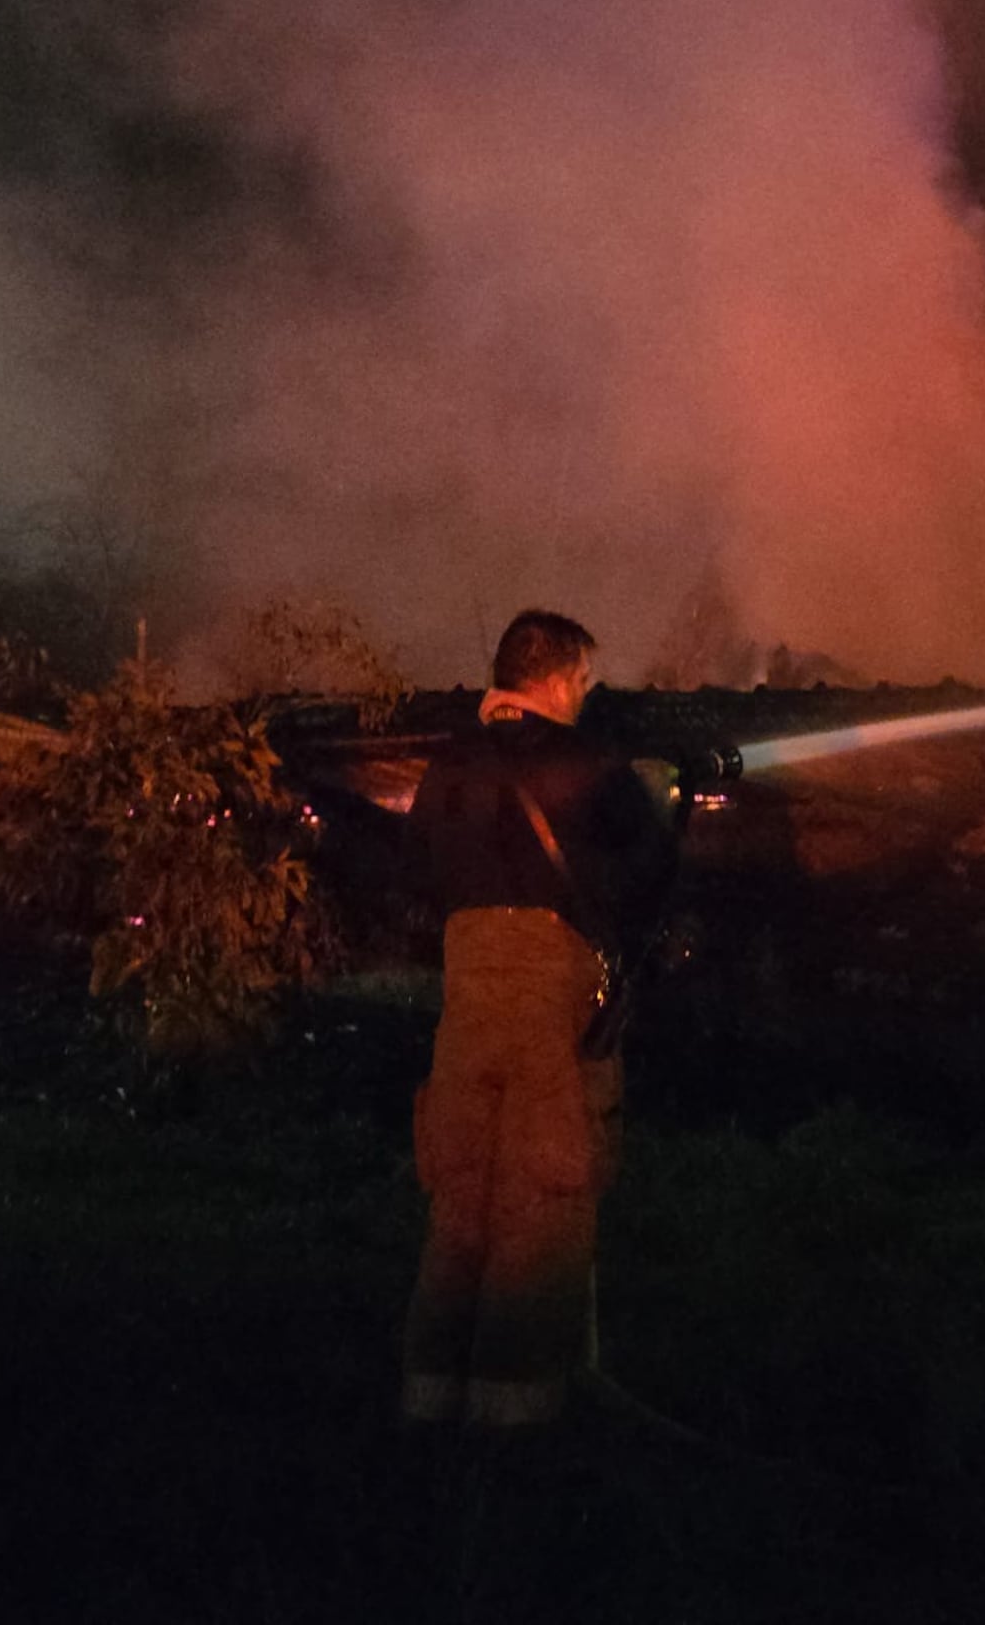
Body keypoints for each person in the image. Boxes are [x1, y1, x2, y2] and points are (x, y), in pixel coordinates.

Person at [400, 609, 679, 1428]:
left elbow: (416, 874)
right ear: (556, 679)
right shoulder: (587, 760)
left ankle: (428, 1396)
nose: (587, 696)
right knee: (544, 1191)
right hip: (552, 997)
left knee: (459, 1191)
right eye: (584, 680)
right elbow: (651, 873)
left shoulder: (447, 768)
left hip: (465, 1000)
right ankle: (516, 1419)